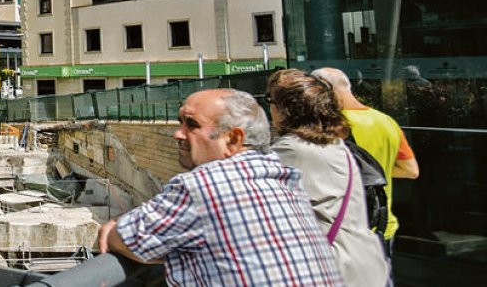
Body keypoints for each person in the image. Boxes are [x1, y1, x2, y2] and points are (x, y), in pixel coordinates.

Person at [97, 89, 341, 286]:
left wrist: (114, 226)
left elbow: (127, 239)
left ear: (233, 139)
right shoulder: (283, 177)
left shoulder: (201, 185)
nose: (177, 134)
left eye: (191, 125)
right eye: (180, 121)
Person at [268, 69, 390, 287]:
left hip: (333, 267)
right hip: (366, 261)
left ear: (287, 110)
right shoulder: (335, 145)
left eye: (270, 100)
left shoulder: (291, 150)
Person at [312, 67, 419, 253]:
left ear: (324, 89)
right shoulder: (387, 121)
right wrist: (378, 168)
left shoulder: (330, 126)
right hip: (382, 226)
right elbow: (411, 170)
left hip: (345, 231)